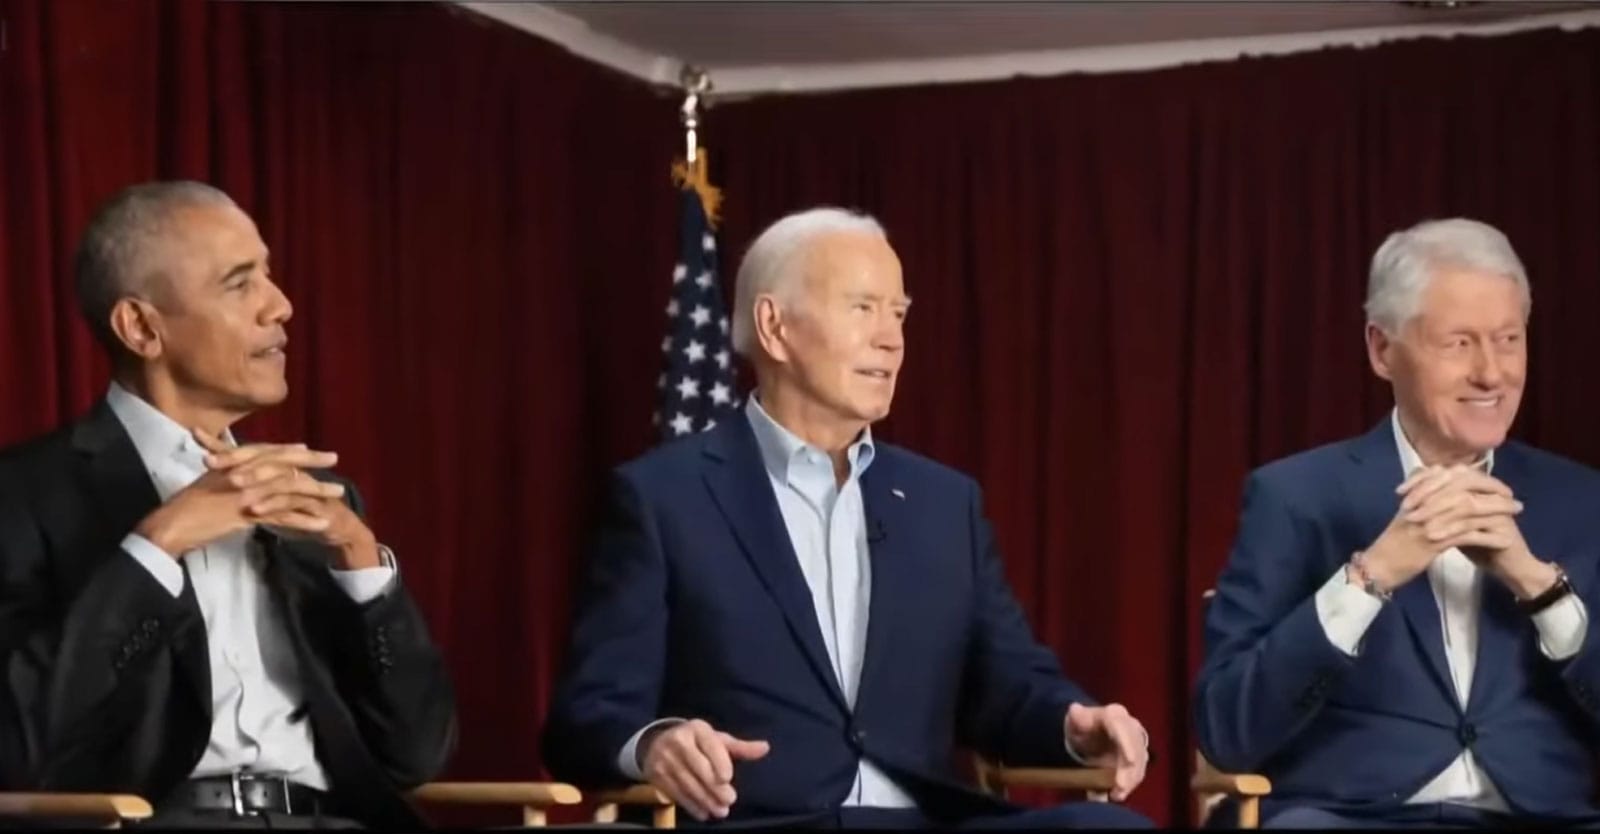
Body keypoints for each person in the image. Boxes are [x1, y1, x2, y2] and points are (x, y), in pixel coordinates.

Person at [542, 207, 1152, 829]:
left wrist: (1075, 725)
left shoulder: (945, 504)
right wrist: (656, 744)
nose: (891, 339)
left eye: (899, 315)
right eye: (863, 309)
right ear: (775, 328)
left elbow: (1009, 685)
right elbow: (586, 717)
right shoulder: (663, 499)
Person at [0, 181, 456, 829]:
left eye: (268, 276)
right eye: (240, 284)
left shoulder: (316, 503)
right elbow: (19, 744)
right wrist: (155, 546)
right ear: (141, 327)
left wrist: (362, 565)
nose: (282, 306)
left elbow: (415, 754)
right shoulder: (24, 496)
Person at [1195, 218, 1600, 828]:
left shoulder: (1580, 498)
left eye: (1509, 339)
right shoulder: (1296, 498)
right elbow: (1228, 728)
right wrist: (1370, 576)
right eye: (1459, 344)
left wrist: (1541, 589)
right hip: (1351, 817)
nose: (1492, 373)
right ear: (1383, 350)